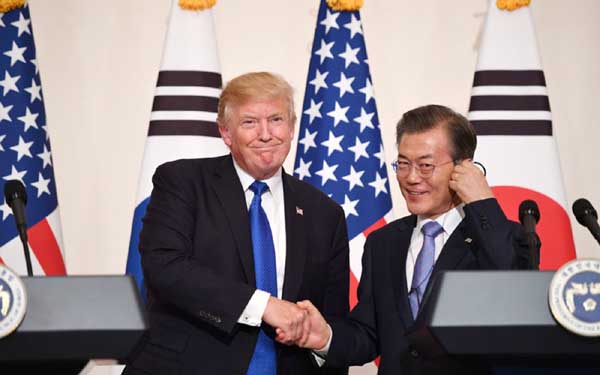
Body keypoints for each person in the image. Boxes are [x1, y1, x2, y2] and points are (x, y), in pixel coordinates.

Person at [123, 72, 349, 375]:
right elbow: (165, 266)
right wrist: (264, 306)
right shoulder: (182, 183)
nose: (266, 134)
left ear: (293, 127)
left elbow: (331, 322)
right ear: (226, 133)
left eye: (277, 119)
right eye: (250, 122)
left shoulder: (324, 213)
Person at [287, 104, 532, 375]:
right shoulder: (383, 243)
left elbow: (516, 302)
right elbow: (369, 334)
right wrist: (326, 338)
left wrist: (483, 203)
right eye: (403, 164)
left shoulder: (504, 236)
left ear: (464, 168)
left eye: (426, 166)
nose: (411, 178)